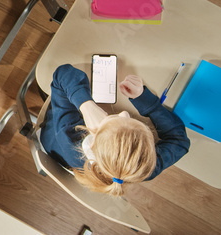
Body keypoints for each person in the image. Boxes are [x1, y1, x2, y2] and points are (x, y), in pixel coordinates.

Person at [40, 64, 190, 196]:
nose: (124, 113)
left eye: (118, 120)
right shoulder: (143, 167)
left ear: (94, 139)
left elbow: (63, 73)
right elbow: (180, 141)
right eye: (129, 118)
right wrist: (144, 100)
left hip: (53, 134)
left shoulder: (68, 136)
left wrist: (86, 106)